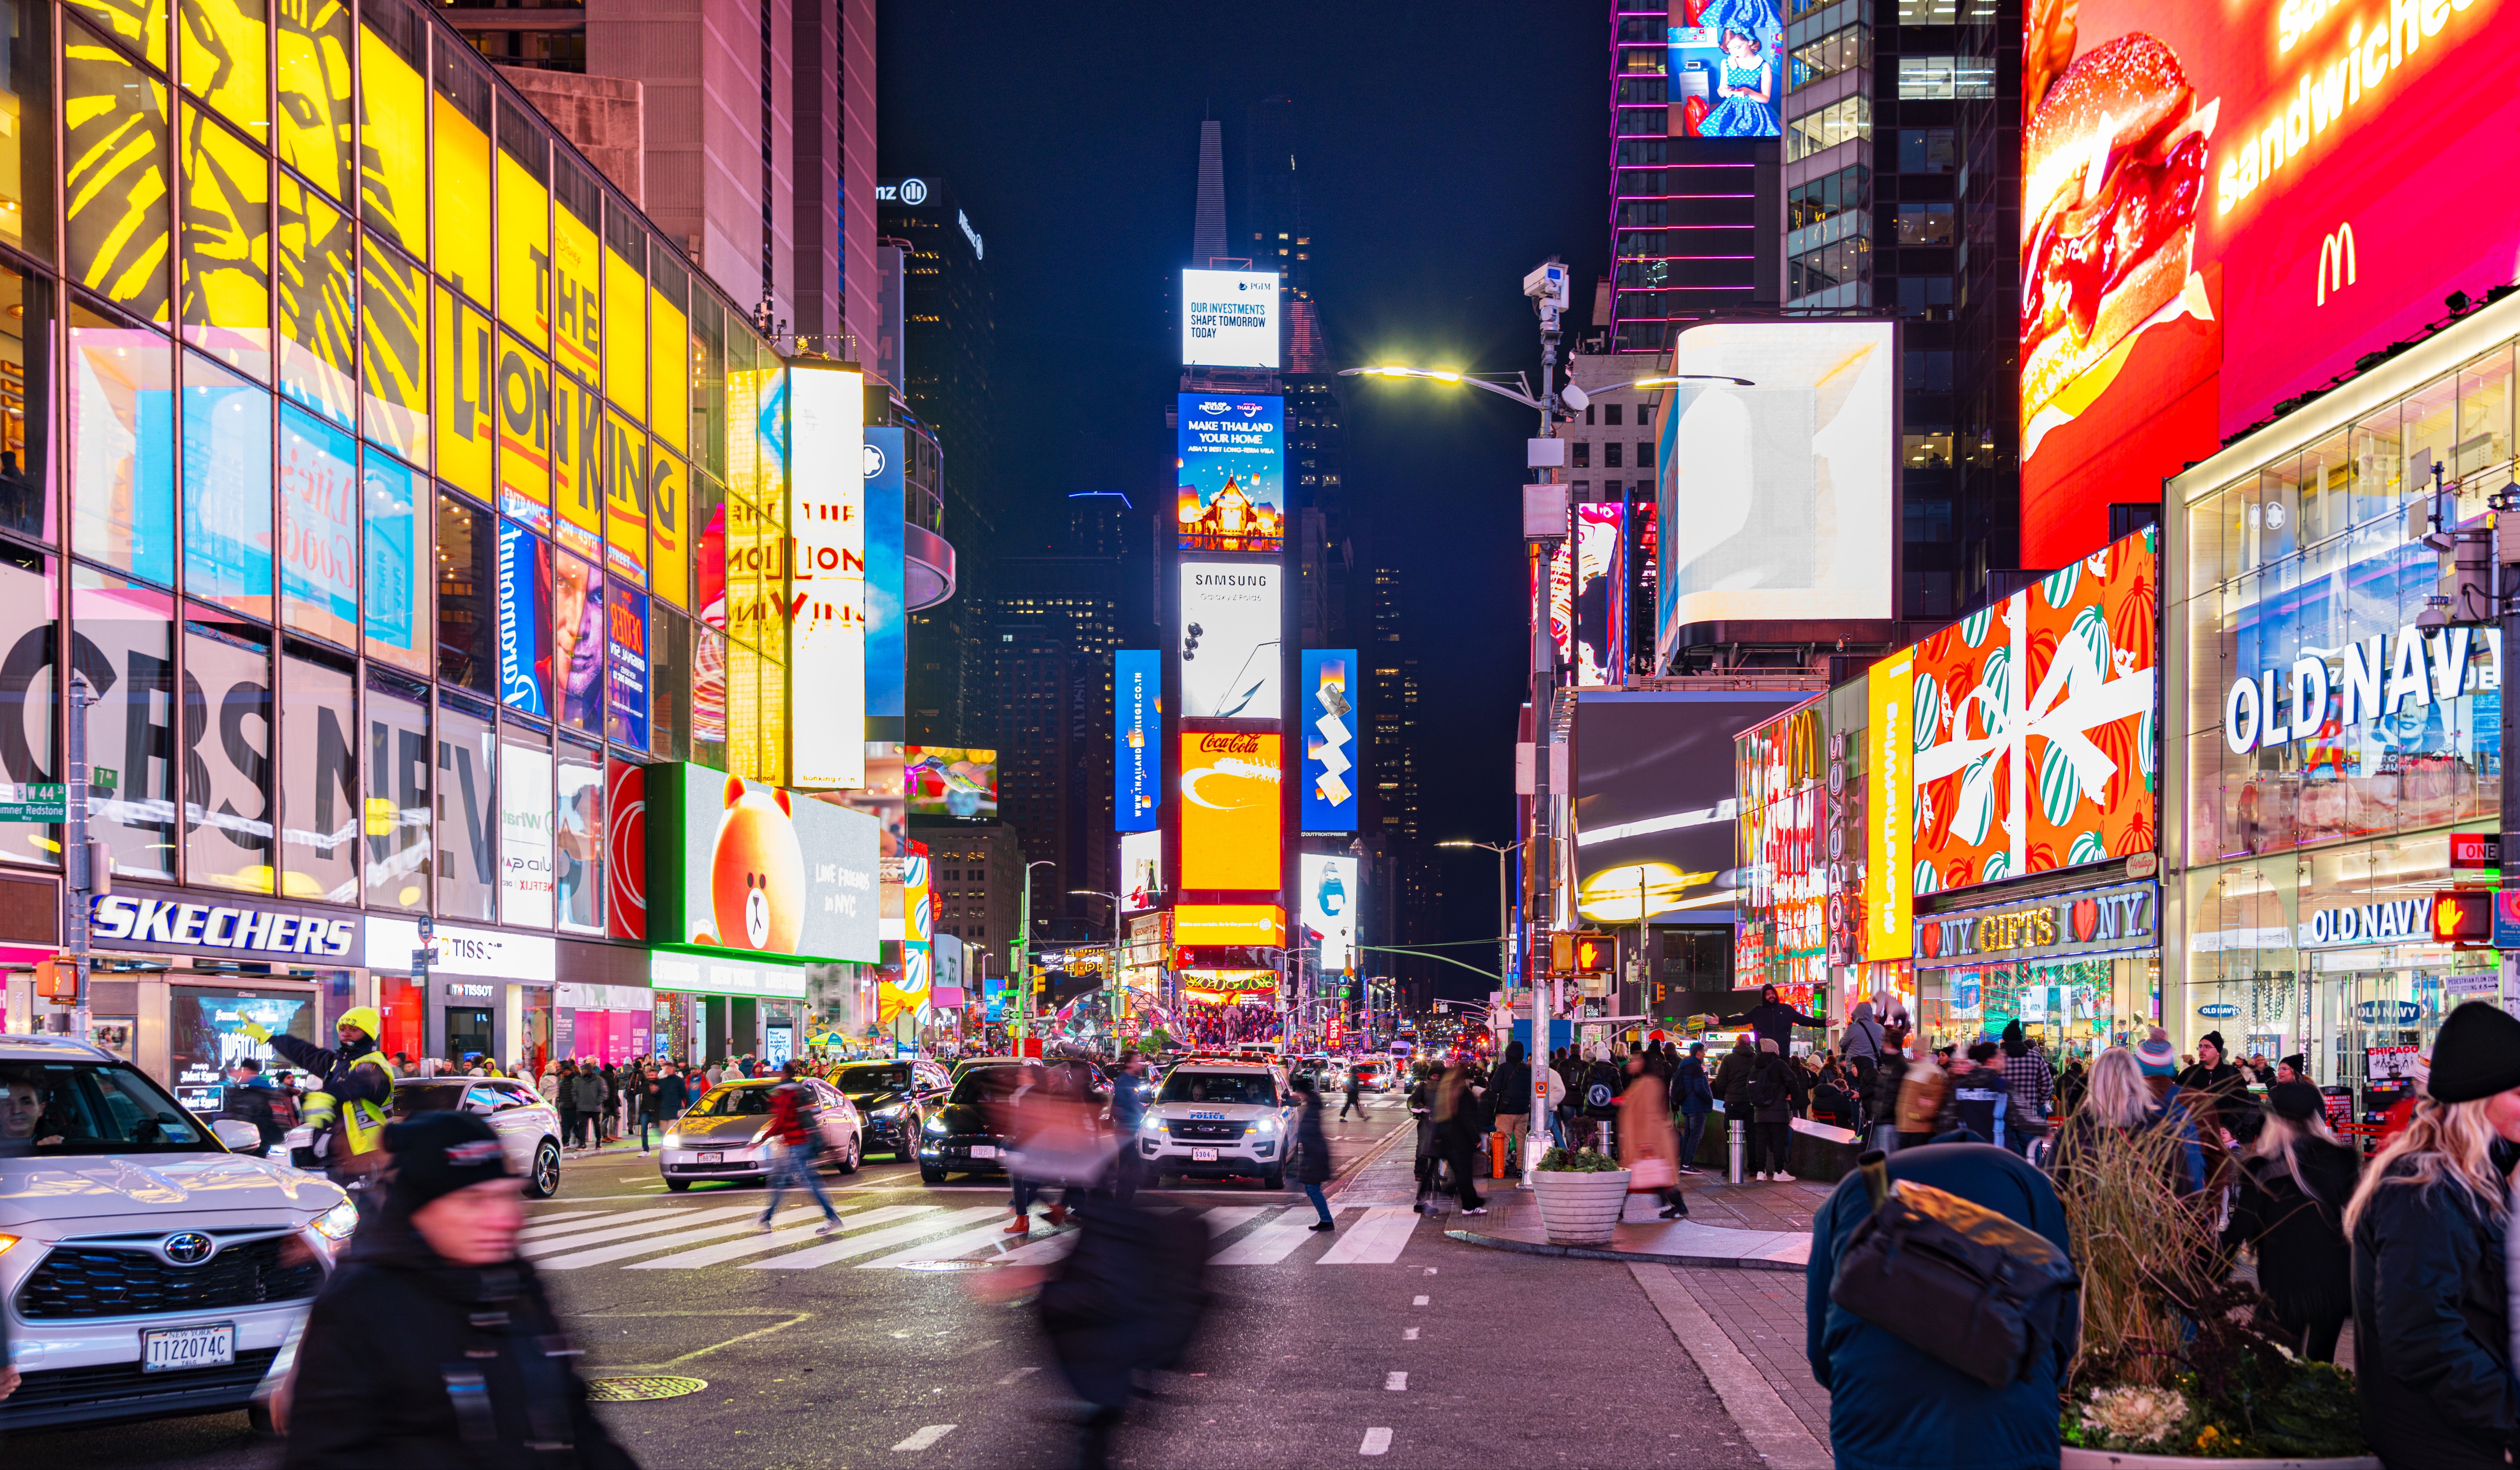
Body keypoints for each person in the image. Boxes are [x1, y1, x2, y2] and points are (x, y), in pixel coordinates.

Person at [279, 1111, 639, 1470]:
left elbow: (578, 1425)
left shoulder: (516, 1282)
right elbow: (324, 1455)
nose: (505, 1218)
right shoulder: (361, 1305)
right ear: (421, 1210)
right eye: (474, 1201)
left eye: (506, 1195)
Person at [1806, 1125, 2077, 1470]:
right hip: (2009, 1428)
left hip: (1874, 1424)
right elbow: (2061, 1314)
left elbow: (1820, 1345)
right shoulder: (2030, 1183)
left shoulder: (1856, 1187)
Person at [2342, 1001, 2520, 1470]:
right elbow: (2420, 1335)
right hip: (2449, 1444)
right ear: (2477, 1098)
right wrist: (2510, 1417)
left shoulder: (2475, 1176)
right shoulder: (2425, 1187)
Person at [2224, 1079, 2358, 1363]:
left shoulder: (2260, 1168)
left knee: (2282, 1366)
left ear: (2275, 1122)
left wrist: (2203, 1270)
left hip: (2283, 1283)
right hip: (2334, 1279)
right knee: (2322, 1363)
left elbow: (2240, 1229)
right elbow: (2362, 1214)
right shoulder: (2340, 1158)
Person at [247, 1006, 395, 1184]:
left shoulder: (372, 1065)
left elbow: (361, 1083)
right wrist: (271, 1038)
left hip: (368, 1161)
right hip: (341, 1160)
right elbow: (305, 1052)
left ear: (368, 1033)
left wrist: (329, 1096)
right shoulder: (339, 1062)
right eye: (343, 1029)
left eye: (354, 1029)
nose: (346, 1033)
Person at [759, 1063, 841, 1234]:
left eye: (779, 1072)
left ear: (784, 1074)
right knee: (788, 1181)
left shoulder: (786, 1094)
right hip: (802, 1143)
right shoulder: (799, 1091)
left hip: (797, 1145)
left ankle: (832, 1216)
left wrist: (763, 1138)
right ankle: (767, 1217)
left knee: (802, 1182)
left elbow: (782, 1122)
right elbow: (806, 1117)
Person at [1619, 1049, 1687, 1219]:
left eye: (1636, 1060)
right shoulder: (1644, 1082)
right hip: (1644, 1138)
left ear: (1644, 1064)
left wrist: (1646, 1142)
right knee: (1655, 1176)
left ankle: (1617, 1209)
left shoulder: (1648, 1083)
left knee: (1643, 1175)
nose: (1631, 1064)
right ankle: (1678, 1205)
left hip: (1647, 1139)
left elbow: (1650, 1114)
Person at [1432, 1058, 1486, 1215]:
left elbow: (1438, 1118)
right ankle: (1469, 1206)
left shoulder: (1445, 1093)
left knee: (1461, 1174)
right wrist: (1476, 1138)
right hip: (1462, 1141)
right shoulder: (1462, 1094)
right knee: (1465, 1175)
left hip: (1448, 1141)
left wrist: (1438, 1137)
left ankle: (1473, 1201)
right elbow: (1466, 1118)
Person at [1713, 983, 1827, 1055]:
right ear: (1764, 997)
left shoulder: (1787, 1010)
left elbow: (1805, 1020)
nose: (1771, 996)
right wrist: (1721, 1021)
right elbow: (1740, 1020)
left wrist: (1824, 1023)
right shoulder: (1758, 1012)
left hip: (1782, 1054)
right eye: (1767, 994)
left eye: (1773, 993)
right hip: (1763, 1055)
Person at [1950, 1037, 2018, 1151]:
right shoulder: (2002, 1086)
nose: (2004, 1064)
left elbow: (1948, 1119)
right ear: (1991, 1061)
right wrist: (2044, 1130)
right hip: (1998, 1152)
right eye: (2001, 1059)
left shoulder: (1960, 1086)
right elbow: (2021, 1117)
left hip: (1967, 1151)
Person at [2176, 1030, 2244, 1135]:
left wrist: (2228, 1127)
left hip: (2223, 1134)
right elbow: (2175, 1100)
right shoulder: (2189, 1074)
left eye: (2207, 1047)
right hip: (2193, 1135)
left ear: (2218, 1052)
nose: (2202, 1050)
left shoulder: (2232, 1074)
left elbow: (2243, 1103)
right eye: (2200, 1047)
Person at [1290, 1073, 1335, 1232]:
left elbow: (1310, 1135)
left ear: (1303, 1092)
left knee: (1313, 1189)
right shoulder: (1313, 1106)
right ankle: (1326, 1219)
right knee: (1312, 1189)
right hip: (1315, 1154)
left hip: (1315, 1156)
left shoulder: (1312, 1110)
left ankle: (1327, 1220)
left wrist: (1305, 1160)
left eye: (1299, 1092)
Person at [1749, 1039, 1798, 1182]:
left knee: (1761, 1142)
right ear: (1775, 1050)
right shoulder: (1780, 1064)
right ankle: (1779, 1172)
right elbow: (1793, 1081)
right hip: (1778, 1111)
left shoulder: (1756, 1066)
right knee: (1778, 1141)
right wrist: (1793, 1095)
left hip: (1760, 1111)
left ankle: (1761, 1172)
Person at [1999, 1022, 2053, 1149]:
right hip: (2029, 1117)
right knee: (2032, 1151)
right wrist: (2036, 1103)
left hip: (2004, 1117)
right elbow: (2047, 1085)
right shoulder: (2035, 1057)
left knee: (2009, 1153)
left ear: (2004, 1040)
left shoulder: (1998, 1059)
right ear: (2021, 1039)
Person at [1672, 1041, 1715, 1175]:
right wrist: (1709, 1099)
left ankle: (1684, 1164)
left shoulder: (1684, 1066)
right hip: (1697, 1106)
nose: (1704, 1055)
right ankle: (1687, 1164)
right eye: (1704, 1052)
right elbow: (1699, 1088)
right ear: (1699, 1053)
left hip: (1686, 1106)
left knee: (1689, 1136)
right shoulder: (1696, 1068)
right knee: (1695, 1136)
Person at [1487, 1040, 1531, 1168]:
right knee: (1521, 1139)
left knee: (1504, 1138)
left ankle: (1501, 1167)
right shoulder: (1528, 1069)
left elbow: (1494, 1088)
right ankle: (1521, 1167)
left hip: (1506, 1110)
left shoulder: (1504, 1068)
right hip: (1523, 1110)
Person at [646, 1061, 688, 1157]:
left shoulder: (679, 1081)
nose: (667, 1070)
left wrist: (685, 1106)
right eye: (665, 1069)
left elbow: (684, 1095)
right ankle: (666, 1152)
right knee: (665, 1133)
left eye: (668, 1068)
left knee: (673, 1133)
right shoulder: (662, 1082)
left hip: (674, 1111)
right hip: (665, 1111)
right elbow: (659, 1096)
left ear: (673, 1069)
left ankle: (674, 1153)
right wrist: (654, 1092)